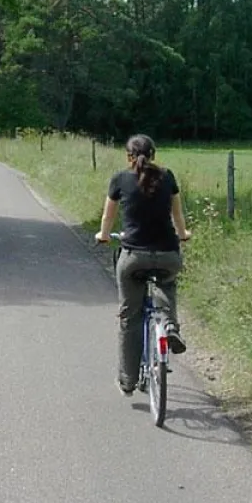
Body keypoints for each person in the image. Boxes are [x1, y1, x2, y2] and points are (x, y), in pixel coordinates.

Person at [94, 134, 191, 396]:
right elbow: (177, 216)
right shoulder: (167, 177)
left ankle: (127, 380)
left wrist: (104, 235)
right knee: (167, 282)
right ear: (154, 154)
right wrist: (183, 234)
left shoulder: (120, 179)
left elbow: (108, 216)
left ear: (128, 156)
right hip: (168, 254)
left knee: (130, 318)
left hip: (133, 257)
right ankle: (169, 324)